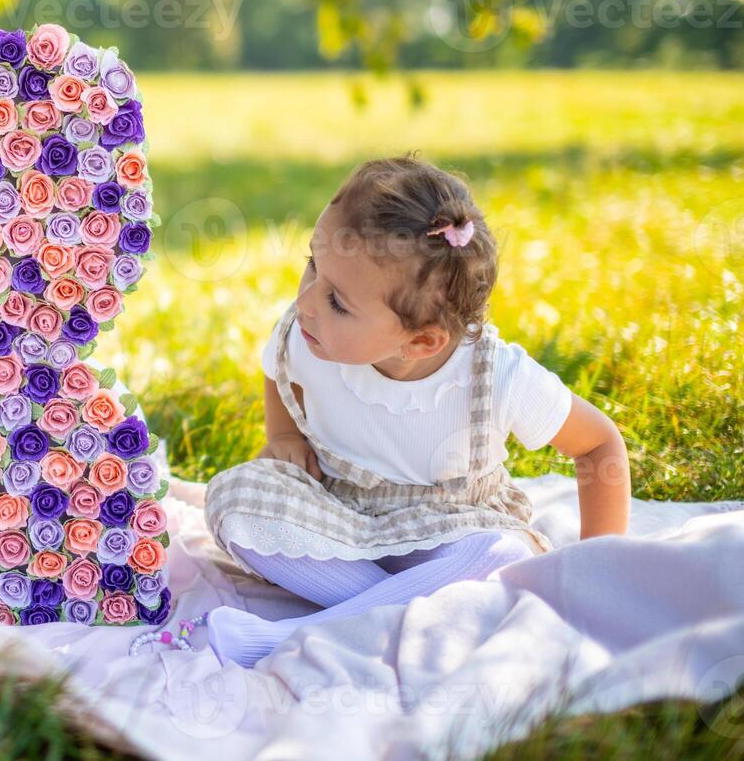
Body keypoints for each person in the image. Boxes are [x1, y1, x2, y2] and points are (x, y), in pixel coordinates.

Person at [202, 156, 630, 665]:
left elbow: (599, 444)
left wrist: (596, 572)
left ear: (422, 340)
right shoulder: (308, 334)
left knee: (503, 556)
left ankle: (303, 634)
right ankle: (414, 603)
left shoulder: (495, 377)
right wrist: (285, 437)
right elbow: (278, 369)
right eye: (313, 265)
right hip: (337, 514)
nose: (308, 303)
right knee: (236, 500)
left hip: (448, 528)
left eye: (338, 302)